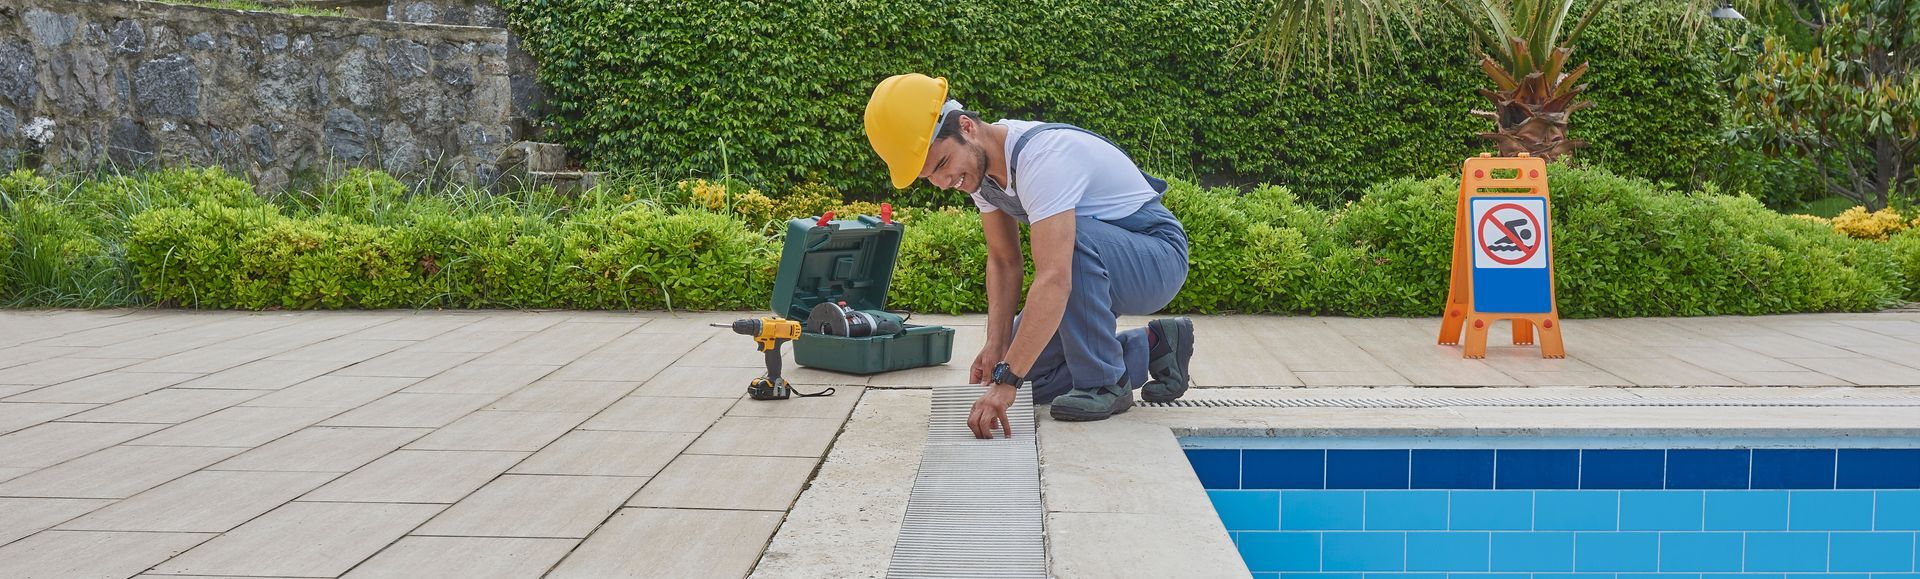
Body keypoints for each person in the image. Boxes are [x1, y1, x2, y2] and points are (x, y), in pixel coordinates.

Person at [862, 73, 1196, 438]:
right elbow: (1005, 262)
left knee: (1064, 255)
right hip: (1099, 256)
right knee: (1031, 375)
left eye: (942, 165)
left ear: (967, 127)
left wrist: (1006, 383)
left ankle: (1104, 383)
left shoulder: (1042, 158)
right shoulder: (981, 175)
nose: (943, 183)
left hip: (1157, 255)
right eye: (930, 177)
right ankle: (1155, 345)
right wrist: (998, 348)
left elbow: (1055, 277)